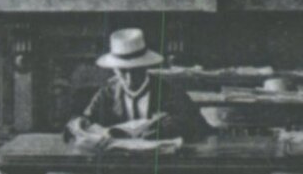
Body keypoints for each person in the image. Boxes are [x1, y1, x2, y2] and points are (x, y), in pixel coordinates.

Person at [66, 28, 207, 142]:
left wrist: (169, 127)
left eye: (136, 70)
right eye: (122, 71)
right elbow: (84, 119)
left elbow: (198, 124)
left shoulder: (169, 91)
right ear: (114, 69)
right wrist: (80, 123)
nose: (129, 78)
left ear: (145, 66)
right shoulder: (107, 93)